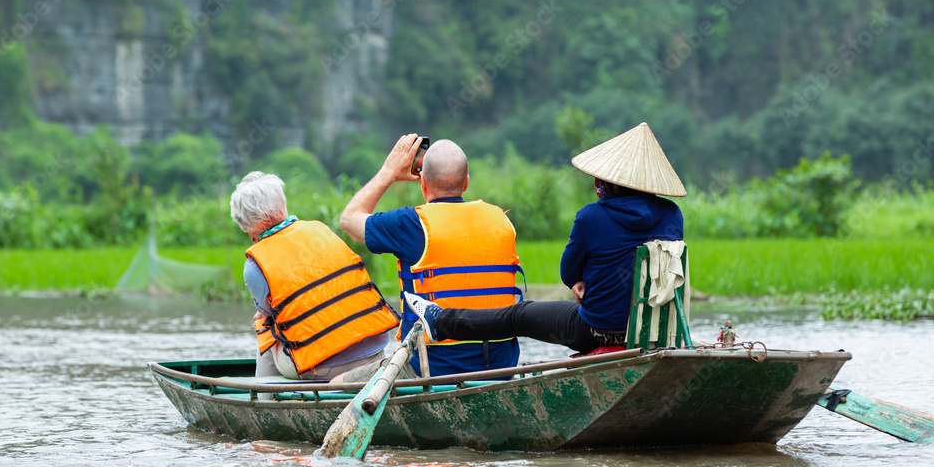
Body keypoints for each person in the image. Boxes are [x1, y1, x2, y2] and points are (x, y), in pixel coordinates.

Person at [403, 122, 685, 354]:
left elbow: (568, 273)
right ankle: (442, 321)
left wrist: (579, 282)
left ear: (607, 181)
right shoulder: (673, 215)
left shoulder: (591, 217)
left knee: (519, 314)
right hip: (655, 330)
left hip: (597, 330)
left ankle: (440, 322)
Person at [337, 134, 522, 381]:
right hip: (500, 365)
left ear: (422, 183)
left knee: (336, 383)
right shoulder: (501, 220)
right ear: (466, 183)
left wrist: (389, 173)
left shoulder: (412, 224)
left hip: (431, 367)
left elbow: (348, 220)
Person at [229, 171, 398, 381]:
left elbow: (266, 312)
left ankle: (264, 402)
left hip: (322, 367)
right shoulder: (321, 229)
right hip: (375, 351)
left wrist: (266, 315)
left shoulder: (255, 265)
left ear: (246, 225)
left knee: (265, 328)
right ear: (282, 204)